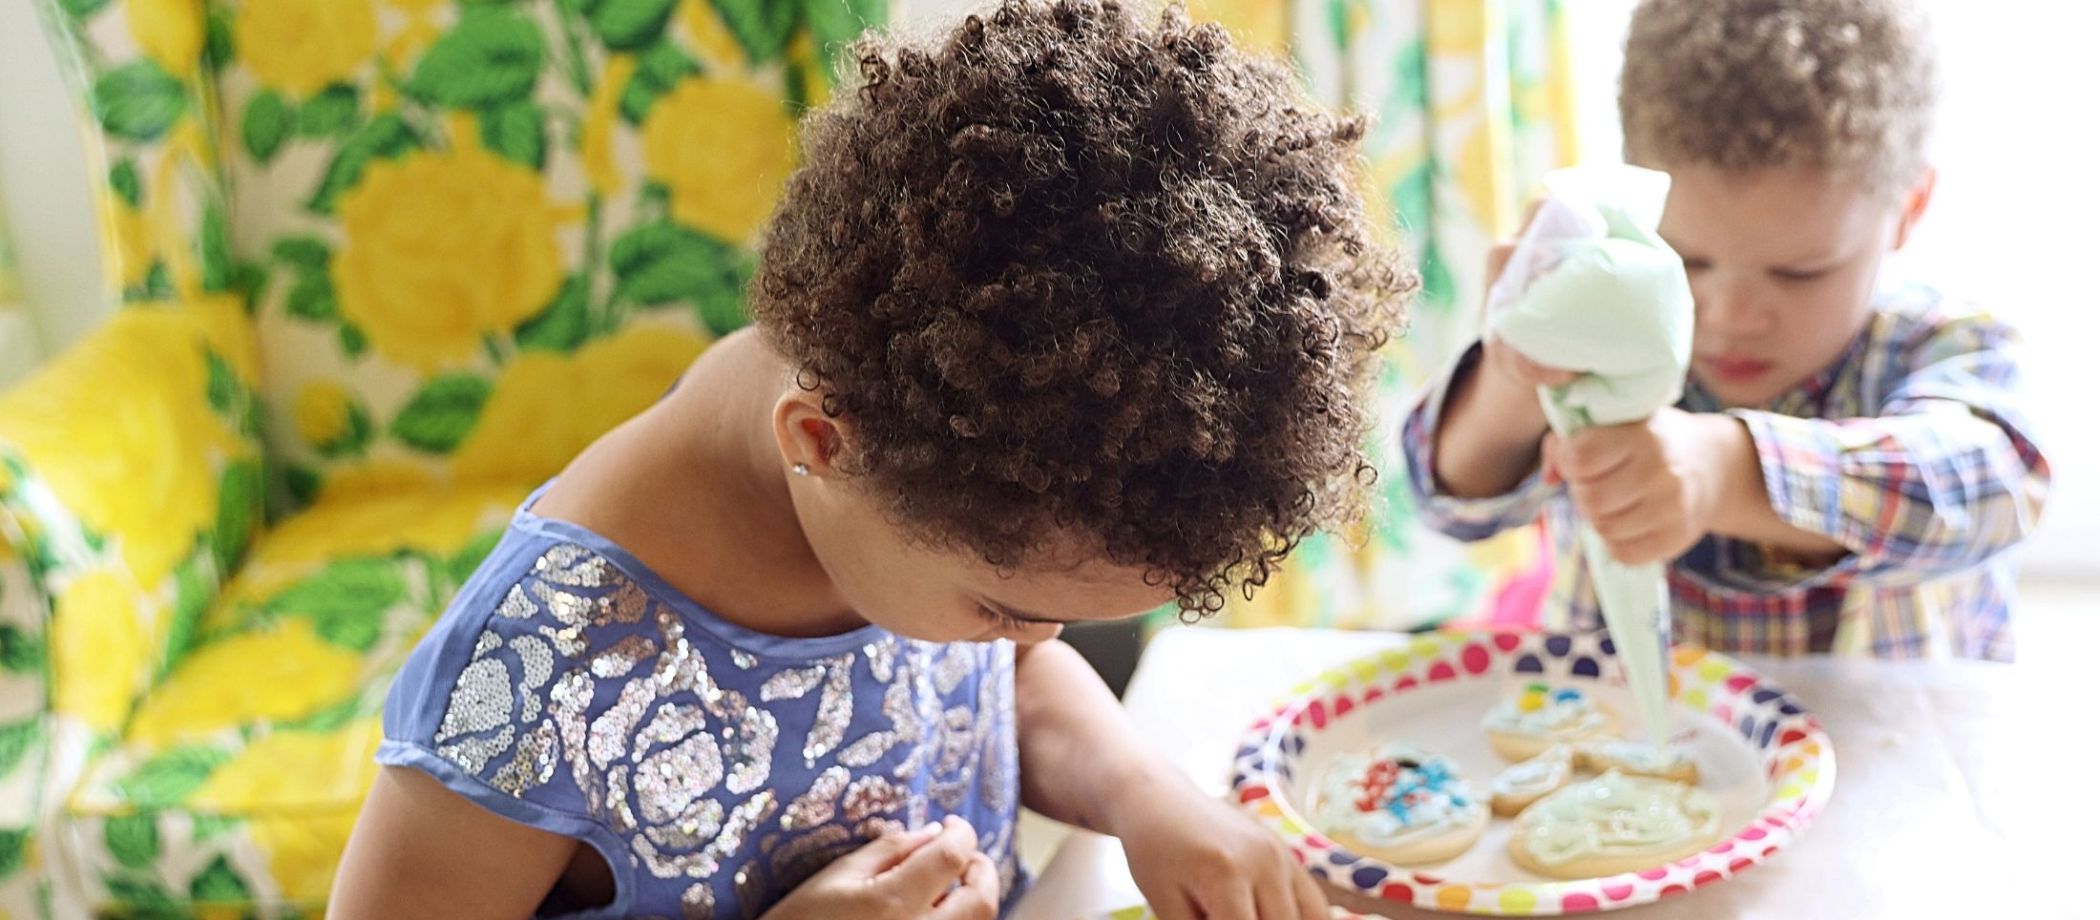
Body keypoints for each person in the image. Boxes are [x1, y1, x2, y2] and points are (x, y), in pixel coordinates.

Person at [330, 2, 1412, 917]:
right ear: (819, 442)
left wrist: (1142, 793)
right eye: (1000, 606)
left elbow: (1013, 677)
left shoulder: (909, 468)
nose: (1037, 640)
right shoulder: (537, 673)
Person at [1402, 0, 2048, 660]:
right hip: (1626, 743)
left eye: (1801, 272)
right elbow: (1453, 504)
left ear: (1908, 208)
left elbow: (1997, 487)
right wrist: (1518, 374)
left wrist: (1728, 472)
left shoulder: (1945, 344)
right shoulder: (1606, 326)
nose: (1730, 315)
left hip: (1892, 748)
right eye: (1687, 258)